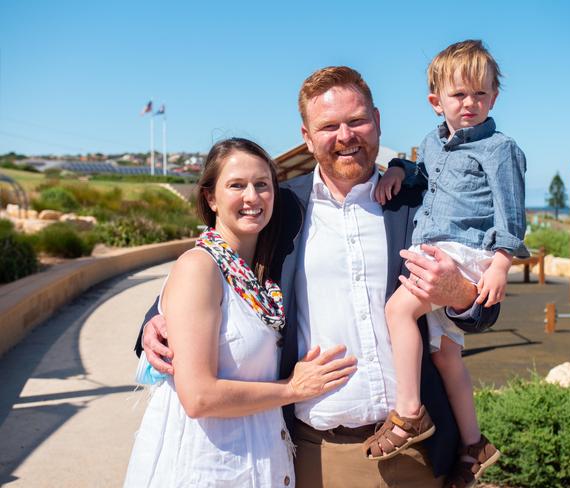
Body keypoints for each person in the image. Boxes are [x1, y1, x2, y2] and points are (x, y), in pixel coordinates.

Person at [137, 67, 501, 487]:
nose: (346, 136)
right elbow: (215, 260)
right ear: (307, 136)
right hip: (314, 454)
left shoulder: (421, 202)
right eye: (329, 126)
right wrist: (153, 321)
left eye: (357, 120)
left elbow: (484, 304)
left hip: (415, 453)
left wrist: (459, 292)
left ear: (378, 121)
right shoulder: (280, 207)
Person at [124, 138, 357, 488]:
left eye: (262, 185)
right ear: (211, 198)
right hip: (206, 467)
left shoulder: (261, 275)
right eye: (236, 185)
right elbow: (198, 396)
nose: (252, 197)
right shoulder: (200, 268)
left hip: (261, 462)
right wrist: (292, 388)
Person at [369, 40, 528, 486]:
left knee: (398, 310)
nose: (470, 104)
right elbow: (423, 175)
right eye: (459, 95)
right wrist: (399, 169)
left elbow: (511, 214)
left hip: (467, 252)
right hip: (440, 249)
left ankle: (409, 413)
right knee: (446, 356)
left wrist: (500, 264)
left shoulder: (501, 149)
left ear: (494, 97)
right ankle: (474, 444)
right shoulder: (431, 143)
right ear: (436, 102)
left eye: (481, 94)